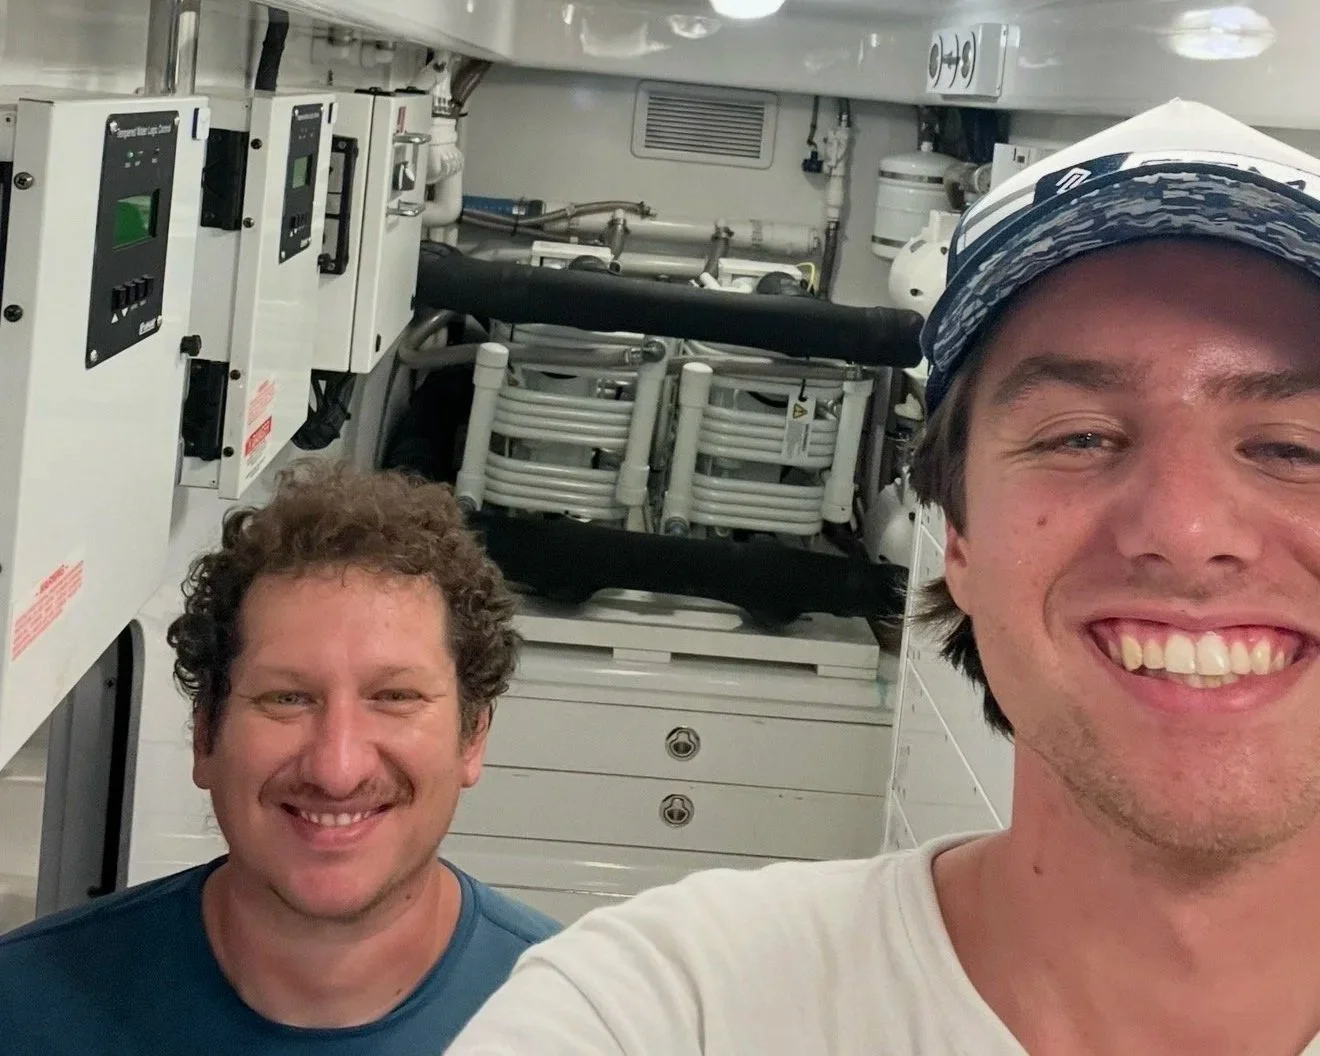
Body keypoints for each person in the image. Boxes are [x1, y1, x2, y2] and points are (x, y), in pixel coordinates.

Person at [443, 99, 1320, 1055]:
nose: (1186, 530)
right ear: (962, 544)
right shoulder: (670, 1010)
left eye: (1295, 449)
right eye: (1080, 437)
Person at [0, 460, 560, 1053]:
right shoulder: (24, 1011)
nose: (336, 768)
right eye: (286, 698)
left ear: (472, 737)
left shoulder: (578, 1028)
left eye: (395, 697)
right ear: (205, 736)